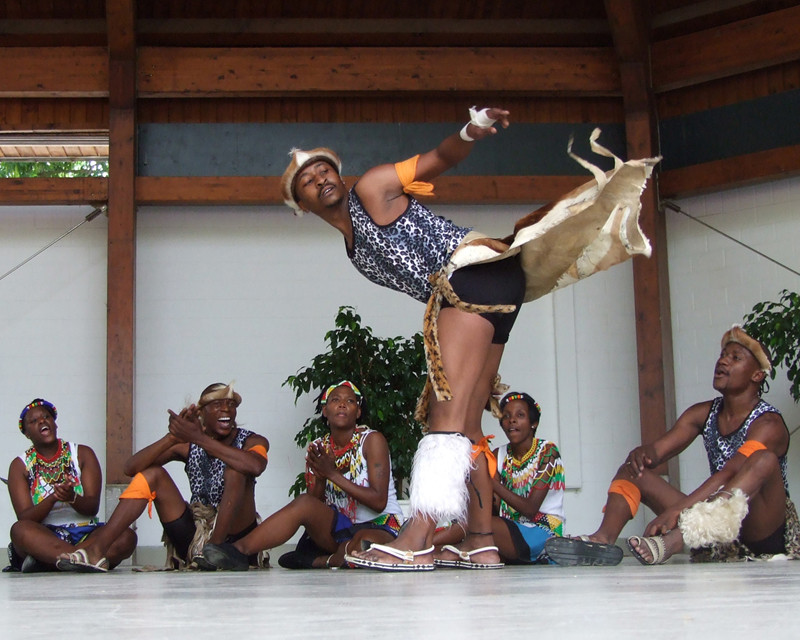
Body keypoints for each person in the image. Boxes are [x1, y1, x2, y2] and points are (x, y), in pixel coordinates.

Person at [280, 106, 655, 571]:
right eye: (308, 182)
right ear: (302, 206)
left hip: (471, 276)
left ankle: (416, 537)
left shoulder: (371, 188)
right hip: (496, 284)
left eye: (324, 169)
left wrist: (469, 131)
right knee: (472, 428)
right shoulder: (353, 249)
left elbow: (438, 157)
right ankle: (481, 540)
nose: (320, 179)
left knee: (446, 420)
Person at [545, 325, 796, 566]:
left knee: (763, 460)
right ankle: (602, 539)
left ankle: (675, 540)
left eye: (735, 357)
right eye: (722, 355)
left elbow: (730, 473)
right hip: (716, 527)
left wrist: (677, 512)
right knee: (634, 469)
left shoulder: (769, 423)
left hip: (761, 530)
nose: (723, 361)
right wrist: (643, 454)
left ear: (757, 375)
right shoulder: (703, 413)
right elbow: (657, 451)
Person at [54, 382, 269, 571]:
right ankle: (97, 550)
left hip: (236, 537)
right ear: (201, 414)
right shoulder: (188, 446)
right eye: (217, 405)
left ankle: (216, 550)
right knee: (152, 474)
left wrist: (200, 439)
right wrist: (172, 438)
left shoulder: (252, 440)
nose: (226, 409)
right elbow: (131, 467)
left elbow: (255, 465)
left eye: (231, 404)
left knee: (237, 468)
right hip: (196, 536)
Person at [202, 380, 404, 570]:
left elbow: (378, 501)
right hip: (342, 527)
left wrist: (332, 474)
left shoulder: (372, 440)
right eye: (335, 400)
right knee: (304, 503)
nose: (342, 404)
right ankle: (238, 552)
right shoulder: (318, 447)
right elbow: (312, 505)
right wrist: (322, 478)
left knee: (361, 546)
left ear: (358, 411)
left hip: (381, 525)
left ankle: (321, 560)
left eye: (350, 401)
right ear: (325, 410)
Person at [434, 392, 565, 566]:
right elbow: (491, 508)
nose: (512, 420)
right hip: (507, 532)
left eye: (520, 415)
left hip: (544, 534)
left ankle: (424, 543)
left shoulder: (548, 452)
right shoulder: (499, 455)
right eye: (506, 416)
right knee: (475, 521)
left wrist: (489, 482)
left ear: (534, 423)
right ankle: (430, 546)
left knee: (480, 525)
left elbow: (530, 509)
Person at [5, 398, 136, 573]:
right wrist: (52, 498)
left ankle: (50, 561)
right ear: (26, 433)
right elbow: (25, 518)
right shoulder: (20, 466)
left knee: (126, 536)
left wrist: (72, 497)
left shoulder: (82, 454)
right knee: (19, 530)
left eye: (46, 417)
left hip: (86, 533)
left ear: (55, 424)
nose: (42, 421)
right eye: (33, 421)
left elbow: (92, 508)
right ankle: (85, 558)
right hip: (47, 535)